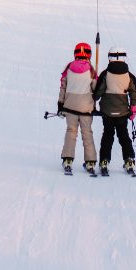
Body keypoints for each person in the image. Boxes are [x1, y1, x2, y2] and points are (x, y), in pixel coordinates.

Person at [57, 42, 98, 176]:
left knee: (71, 132)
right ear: (89, 54)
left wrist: (60, 104)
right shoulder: (91, 69)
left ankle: (68, 159)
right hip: (86, 108)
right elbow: (95, 89)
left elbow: (63, 86)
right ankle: (90, 161)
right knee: (87, 133)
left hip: (70, 107)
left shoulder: (68, 68)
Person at [95, 50, 136, 176]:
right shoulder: (129, 75)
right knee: (123, 135)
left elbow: (97, 94)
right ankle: (129, 160)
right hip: (122, 112)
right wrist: (133, 107)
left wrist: (94, 91)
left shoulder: (105, 74)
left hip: (107, 112)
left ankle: (104, 161)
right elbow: (133, 92)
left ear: (109, 58)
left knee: (107, 135)